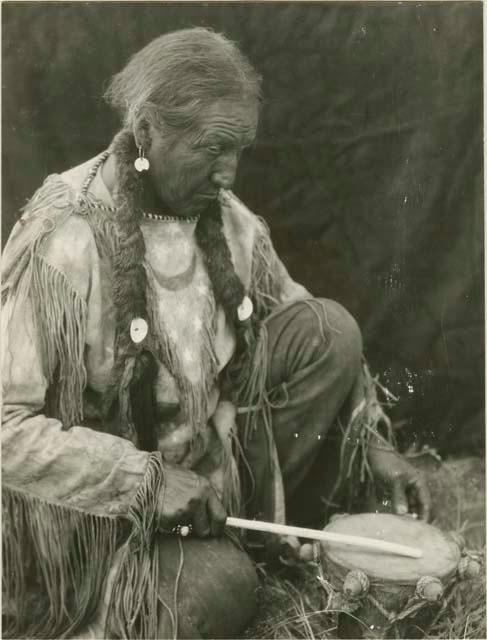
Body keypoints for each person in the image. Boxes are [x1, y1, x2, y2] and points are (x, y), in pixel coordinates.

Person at [1, 27, 431, 639]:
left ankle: (243, 529)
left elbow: (296, 308)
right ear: (147, 131)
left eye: (241, 150)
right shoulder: (64, 239)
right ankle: (116, 604)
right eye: (213, 148)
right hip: (95, 518)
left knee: (328, 329)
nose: (229, 174)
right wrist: (143, 482)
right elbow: (5, 432)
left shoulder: (226, 220)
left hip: (209, 472)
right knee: (222, 591)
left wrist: (375, 440)